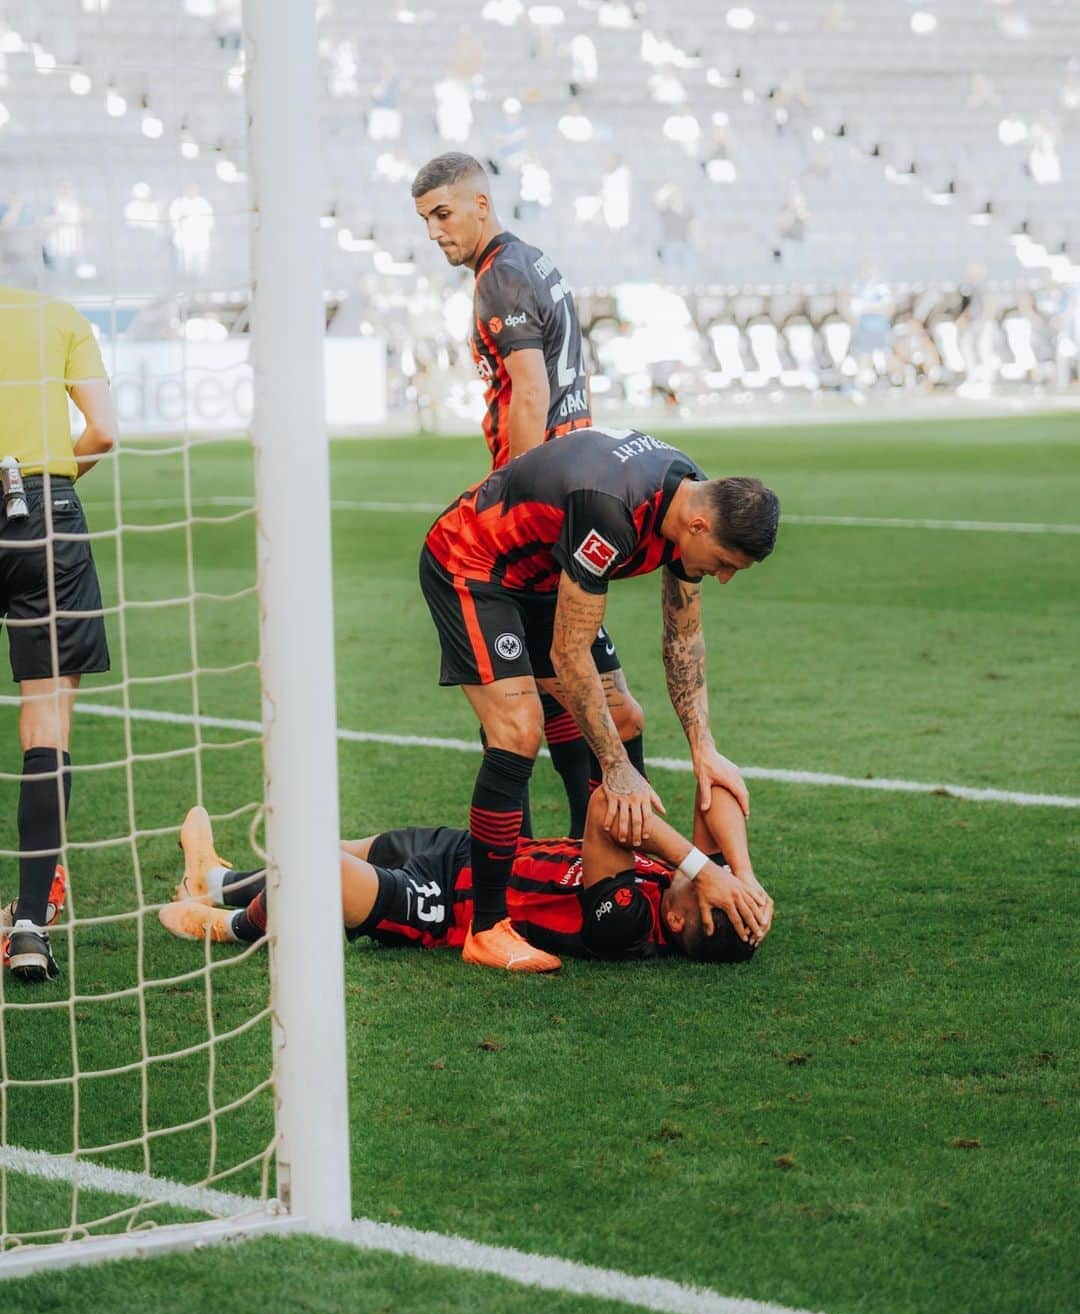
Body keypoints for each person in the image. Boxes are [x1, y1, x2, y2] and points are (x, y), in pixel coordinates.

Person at [419, 425, 780, 973]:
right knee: (518, 729)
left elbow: (682, 637)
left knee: (624, 716)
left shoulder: (691, 501)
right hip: (475, 564)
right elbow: (570, 653)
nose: (725, 577)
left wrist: (705, 749)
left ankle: (599, 859)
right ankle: (488, 927)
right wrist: (616, 768)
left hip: (543, 575)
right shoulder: (613, 511)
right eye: (727, 562)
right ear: (701, 526)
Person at [411, 150, 642, 840]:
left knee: (523, 712)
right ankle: (590, 851)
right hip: (570, 491)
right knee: (573, 694)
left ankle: (548, 863)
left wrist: (515, 493)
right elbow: (574, 378)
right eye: (425, 220)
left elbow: (532, 391)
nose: (434, 232)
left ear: (481, 204)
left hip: (540, 510)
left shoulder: (498, 280)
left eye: (443, 214)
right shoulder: (536, 263)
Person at [159, 777, 773, 964]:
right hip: (473, 857)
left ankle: (233, 926)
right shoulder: (694, 885)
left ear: (676, 916)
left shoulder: (630, 924)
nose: (710, 877)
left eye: (713, 894)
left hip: (449, 908)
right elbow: (713, 793)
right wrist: (741, 874)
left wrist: (700, 866)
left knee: (318, 869)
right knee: (330, 848)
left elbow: (605, 805)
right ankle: (214, 880)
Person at [0, 282, 117, 981]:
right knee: (46, 720)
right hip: (40, 511)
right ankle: (28, 926)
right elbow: (102, 430)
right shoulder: (55, 315)